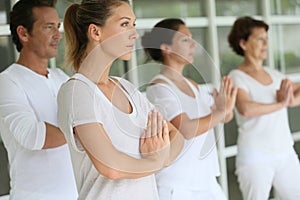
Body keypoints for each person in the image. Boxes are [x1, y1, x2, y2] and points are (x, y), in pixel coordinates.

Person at [57, 1, 184, 200]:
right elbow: (111, 167)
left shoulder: (126, 88)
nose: (134, 33)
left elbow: (176, 134)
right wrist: (156, 160)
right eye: (125, 24)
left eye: (134, 24)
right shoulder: (76, 91)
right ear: (95, 32)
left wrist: (158, 158)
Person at [142, 18, 237, 200]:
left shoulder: (193, 85)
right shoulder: (159, 87)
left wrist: (226, 108)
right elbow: (187, 129)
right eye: (185, 39)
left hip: (206, 181)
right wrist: (221, 111)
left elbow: (222, 117)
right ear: (166, 48)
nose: (193, 44)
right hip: (176, 186)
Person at [0, 0, 77, 199]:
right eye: (48, 27)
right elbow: (32, 136)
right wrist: (86, 130)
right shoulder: (7, 81)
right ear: (23, 33)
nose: (58, 35)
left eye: (57, 26)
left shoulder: (61, 77)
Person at [228, 16, 300, 200]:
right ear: (243, 43)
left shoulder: (274, 74)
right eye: (260, 38)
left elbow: (295, 93)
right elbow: (246, 108)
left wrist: (290, 99)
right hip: (256, 156)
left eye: (266, 38)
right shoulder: (237, 76)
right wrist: (280, 104)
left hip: (285, 152)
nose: (266, 43)